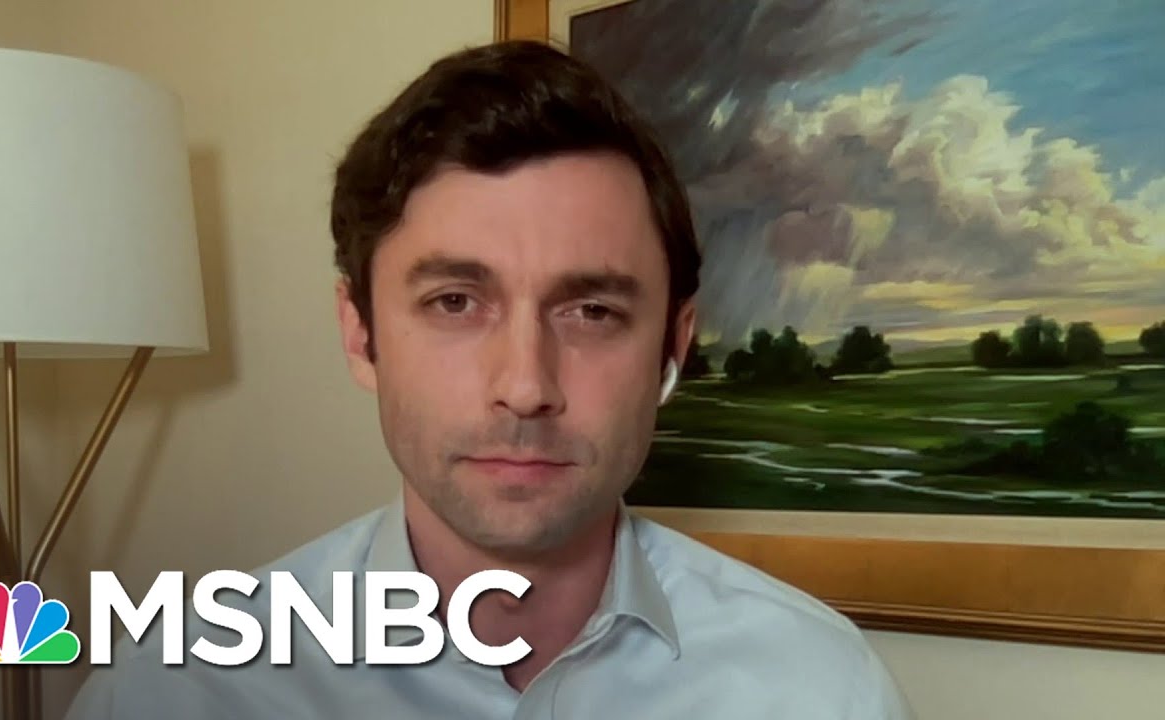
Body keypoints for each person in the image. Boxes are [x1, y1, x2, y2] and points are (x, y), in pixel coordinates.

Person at [64, 39, 914, 719]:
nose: (525, 386)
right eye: (455, 302)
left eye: (592, 311)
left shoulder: (819, 689)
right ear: (360, 333)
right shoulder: (176, 691)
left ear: (673, 347)